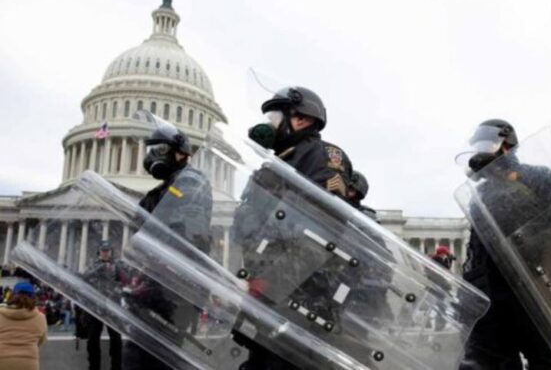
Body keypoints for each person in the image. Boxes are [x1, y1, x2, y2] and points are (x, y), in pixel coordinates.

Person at [233, 86, 356, 369]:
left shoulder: (323, 157)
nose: (268, 125)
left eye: (274, 118)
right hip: (269, 297)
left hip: (300, 299)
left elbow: (322, 233)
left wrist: (268, 284)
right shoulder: (272, 167)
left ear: (301, 119)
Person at [459, 119, 551, 370]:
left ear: (506, 145)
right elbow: (476, 248)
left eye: (486, 144)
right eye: (478, 146)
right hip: (493, 292)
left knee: (542, 359)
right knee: (489, 362)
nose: (481, 151)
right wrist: (469, 287)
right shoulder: (479, 194)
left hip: (532, 286)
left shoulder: (537, 176)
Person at [123, 111, 213, 370]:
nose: (153, 157)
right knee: (144, 356)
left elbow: (183, 235)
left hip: (172, 289)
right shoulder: (163, 189)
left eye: (160, 149)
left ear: (181, 152)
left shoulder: (190, 183)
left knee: (151, 358)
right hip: (159, 284)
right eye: (151, 150)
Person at [83, 240, 124, 370]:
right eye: (103, 251)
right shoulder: (93, 266)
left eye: (108, 251)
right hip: (96, 306)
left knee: (116, 338)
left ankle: (116, 367)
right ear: (99, 252)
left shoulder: (117, 265)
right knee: (93, 339)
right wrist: (100, 268)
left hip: (112, 306)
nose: (106, 254)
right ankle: (94, 366)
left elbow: (124, 280)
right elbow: (85, 278)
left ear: (111, 252)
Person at [0, 281, 48, 370]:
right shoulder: (40, 317)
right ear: (33, 297)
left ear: (12, 295)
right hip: (29, 363)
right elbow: (42, 340)